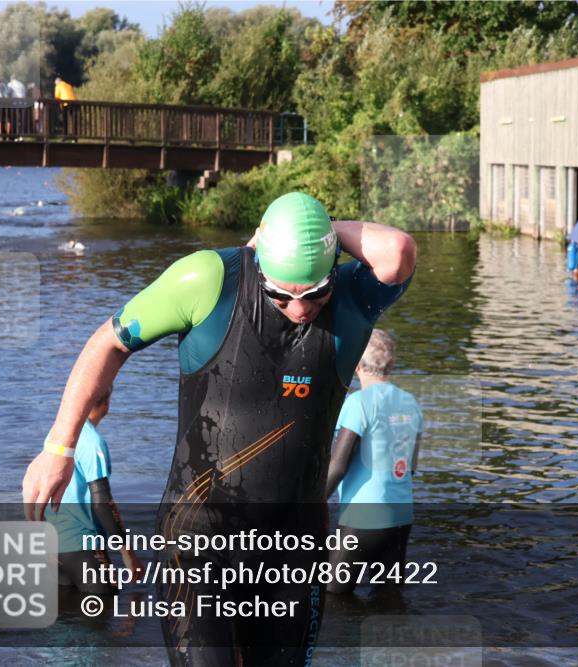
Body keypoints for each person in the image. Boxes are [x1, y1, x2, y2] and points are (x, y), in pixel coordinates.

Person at [23, 191, 417, 666]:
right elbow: (108, 343)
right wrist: (58, 447)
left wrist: (312, 231)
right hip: (197, 537)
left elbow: (397, 251)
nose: (300, 308)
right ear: (260, 264)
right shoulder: (210, 279)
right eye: (281, 293)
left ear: (334, 268)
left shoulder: (353, 298)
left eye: (313, 292)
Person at [325, 329, 423, 595]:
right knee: (388, 598)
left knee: (333, 595)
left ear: (356, 364)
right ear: (392, 365)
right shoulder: (411, 403)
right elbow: (410, 467)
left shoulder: (358, 403)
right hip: (402, 514)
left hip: (364, 516)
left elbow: (338, 465)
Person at [47, 385, 143, 595]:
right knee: (107, 613)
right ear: (106, 403)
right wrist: (128, 553)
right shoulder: (93, 442)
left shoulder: (56, 436)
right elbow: (102, 503)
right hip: (85, 550)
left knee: (66, 620)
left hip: (54, 550)